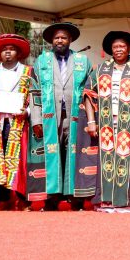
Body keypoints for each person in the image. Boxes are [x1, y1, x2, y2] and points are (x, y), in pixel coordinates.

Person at [74, 31, 130, 212]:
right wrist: (91, 121)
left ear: (129, 49)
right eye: (115, 47)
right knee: (106, 160)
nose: (119, 49)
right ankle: (107, 200)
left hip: (129, 123)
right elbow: (88, 94)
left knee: (129, 160)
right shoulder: (100, 69)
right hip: (105, 123)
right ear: (110, 50)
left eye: (122, 46)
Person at [28, 22, 93, 210]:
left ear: (70, 40)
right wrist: (37, 119)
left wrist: (89, 119)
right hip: (50, 115)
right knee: (52, 154)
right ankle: (52, 197)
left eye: (63, 37)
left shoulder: (82, 60)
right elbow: (34, 91)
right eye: (56, 37)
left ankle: (75, 197)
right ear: (51, 41)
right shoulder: (41, 61)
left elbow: (89, 91)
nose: (60, 40)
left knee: (73, 153)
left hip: (75, 115)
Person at [0, 34, 33, 211]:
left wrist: (28, 111)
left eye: (11, 49)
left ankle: (23, 198)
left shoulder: (28, 72)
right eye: (4, 50)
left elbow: (36, 95)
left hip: (19, 121)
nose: (7, 52)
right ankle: (3, 198)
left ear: (19, 52)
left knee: (20, 159)